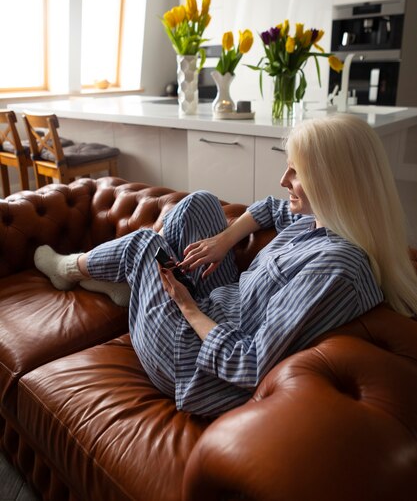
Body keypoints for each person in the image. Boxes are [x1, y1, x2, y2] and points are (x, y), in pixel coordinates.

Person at [34, 114, 417, 417]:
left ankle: (69, 269)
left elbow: (249, 364)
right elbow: (268, 207)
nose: (284, 180)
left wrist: (186, 306)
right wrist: (223, 241)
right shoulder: (320, 219)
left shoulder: (335, 268)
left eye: (297, 172)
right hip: (219, 306)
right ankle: (134, 287)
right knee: (199, 202)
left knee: (145, 245)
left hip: (193, 359)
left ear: (336, 182)